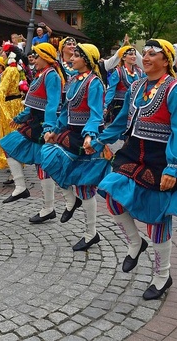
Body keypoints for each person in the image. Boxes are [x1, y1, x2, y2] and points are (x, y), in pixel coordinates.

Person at [92, 39, 177, 300]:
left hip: (162, 158)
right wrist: (101, 138)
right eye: (144, 54)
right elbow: (121, 120)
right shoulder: (136, 86)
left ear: (166, 60)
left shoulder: (175, 90)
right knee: (111, 193)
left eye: (152, 54)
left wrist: (173, 166)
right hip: (133, 151)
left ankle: (162, 276)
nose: (145, 58)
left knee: (158, 216)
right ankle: (135, 243)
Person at [40, 43, 111, 251]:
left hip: (86, 139)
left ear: (87, 60)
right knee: (49, 160)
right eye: (73, 54)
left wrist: (90, 135)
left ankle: (91, 233)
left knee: (86, 186)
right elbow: (65, 111)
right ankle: (71, 201)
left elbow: (96, 114)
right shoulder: (72, 80)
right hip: (69, 134)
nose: (72, 57)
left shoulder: (94, 83)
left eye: (77, 55)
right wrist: (54, 129)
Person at [0, 42, 65, 222]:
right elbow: (33, 102)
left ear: (46, 57)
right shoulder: (40, 74)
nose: (34, 59)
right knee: (8, 145)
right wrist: (20, 118)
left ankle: (48, 207)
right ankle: (21, 187)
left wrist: (50, 127)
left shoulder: (51, 76)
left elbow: (52, 104)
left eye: (37, 56)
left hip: (43, 124)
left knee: (43, 165)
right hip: (34, 121)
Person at [104, 45, 144, 124]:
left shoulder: (140, 72)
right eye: (130, 54)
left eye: (134, 54)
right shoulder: (118, 72)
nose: (133, 56)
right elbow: (111, 90)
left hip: (136, 106)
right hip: (120, 106)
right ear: (123, 57)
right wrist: (105, 105)